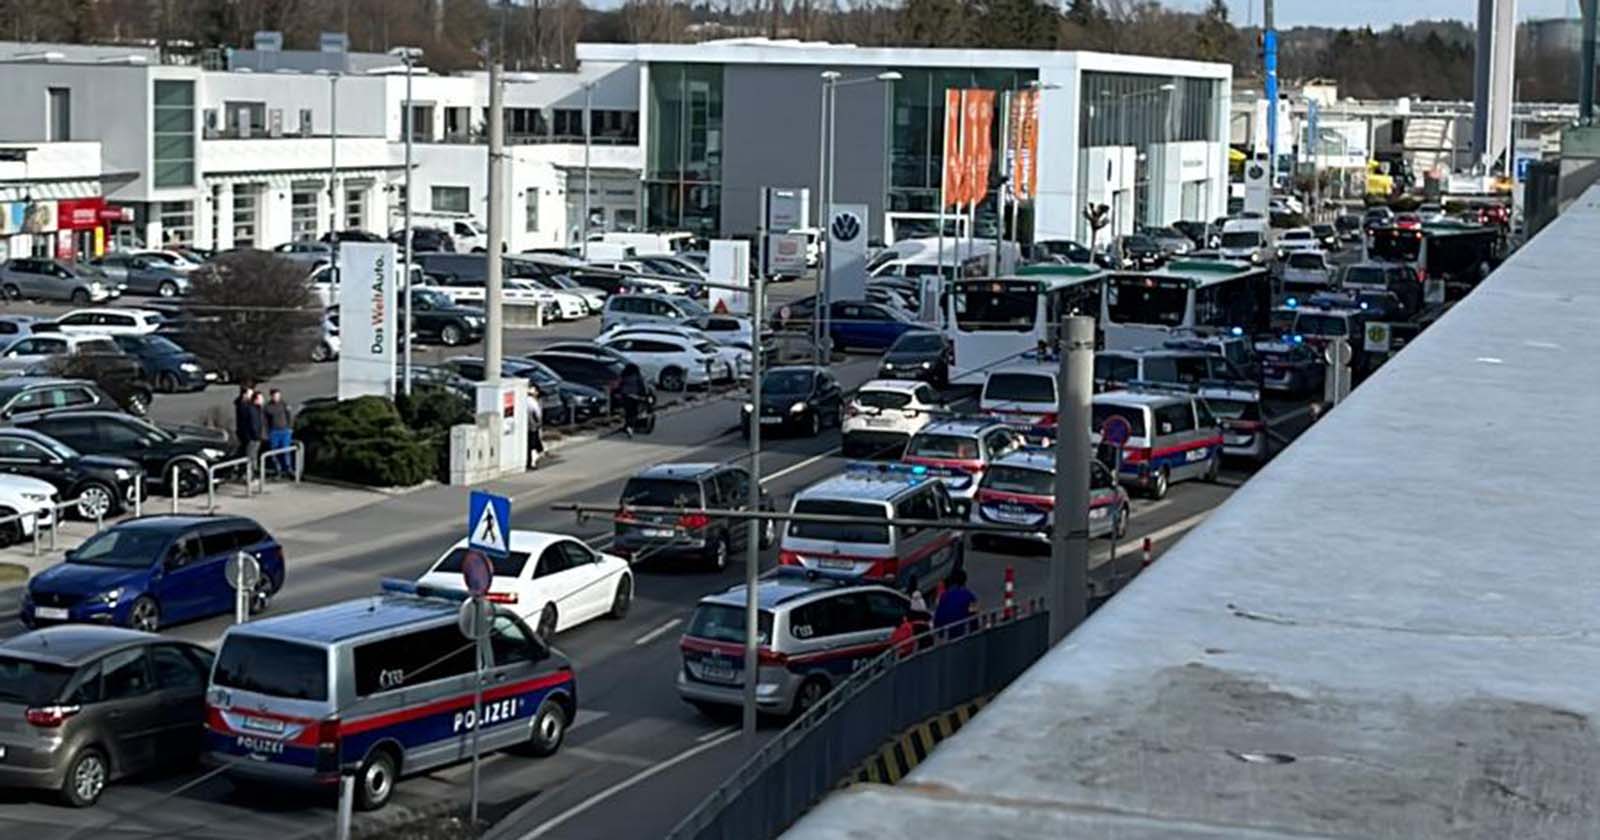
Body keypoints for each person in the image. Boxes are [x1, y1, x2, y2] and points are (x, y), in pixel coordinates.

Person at [932, 568, 979, 639]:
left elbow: (938, 613)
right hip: (960, 631)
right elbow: (974, 616)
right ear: (964, 581)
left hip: (942, 631)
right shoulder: (970, 597)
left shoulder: (944, 595)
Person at [264, 389, 294, 477]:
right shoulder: (268, 407)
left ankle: (288, 469)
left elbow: (290, 416)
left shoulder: (284, 404)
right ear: (271, 396)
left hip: (284, 431)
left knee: (286, 450)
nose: (277, 397)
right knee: (274, 452)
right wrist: (268, 431)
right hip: (274, 432)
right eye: (275, 396)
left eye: (278, 395)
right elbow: (265, 421)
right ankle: (278, 469)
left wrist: (290, 428)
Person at [618, 363, 648, 439]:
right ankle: (630, 426)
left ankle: (627, 425)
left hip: (625, 395)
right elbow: (641, 386)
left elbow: (620, 384)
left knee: (628, 411)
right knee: (633, 412)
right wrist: (644, 396)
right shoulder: (637, 376)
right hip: (634, 396)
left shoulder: (624, 375)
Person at [233, 382, 260, 461]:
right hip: (249, 434)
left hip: (248, 433)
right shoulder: (244, 406)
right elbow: (250, 420)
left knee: (250, 453)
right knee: (250, 454)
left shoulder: (245, 404)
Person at [527, 385, 545, 469]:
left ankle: (531, 461)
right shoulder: (533, 403)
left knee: (531, 445)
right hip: (533, 426)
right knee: (533, 445)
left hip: (527, 427)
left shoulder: (524, 400)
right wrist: (538, 423)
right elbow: (538, 414)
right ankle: (532, 463)